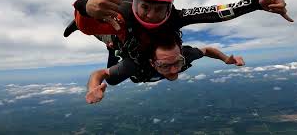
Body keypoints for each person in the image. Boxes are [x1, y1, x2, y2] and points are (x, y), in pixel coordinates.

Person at [64, 0, 292, 80]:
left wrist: (257, 4)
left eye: (159, 9)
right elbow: (88, 26)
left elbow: (215, 12)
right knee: (108, 34)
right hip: (124, 37)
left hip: (139, 51)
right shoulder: (125, 13)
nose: (151, 15)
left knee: (114, 50)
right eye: (144, 8)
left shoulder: (176, 19)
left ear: (169, 8)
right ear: (135, 5)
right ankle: (108, 38)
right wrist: (85, 7)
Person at [85, 32, 245, 104]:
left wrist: (226, 60)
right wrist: (93, 87)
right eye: (164, 65)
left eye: (177, 62)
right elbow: (100, 73)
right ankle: (108, 42)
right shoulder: (135, 64)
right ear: (152, 62)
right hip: (134, 67)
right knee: (112, 75)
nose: (174, 70)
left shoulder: (186, 55)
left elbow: (207, 50)